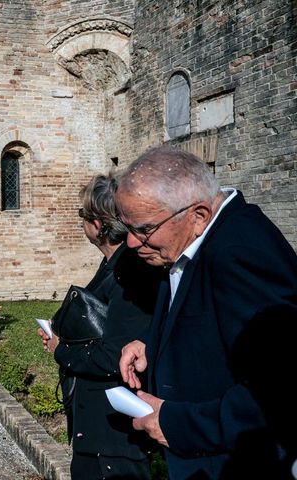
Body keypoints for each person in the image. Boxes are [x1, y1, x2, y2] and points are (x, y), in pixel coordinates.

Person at [115, 146, 297, 479]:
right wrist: (150, 343)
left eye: (142, 229)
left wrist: (177, 423)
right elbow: (209, 322)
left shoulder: (238, 254)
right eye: (125, 227)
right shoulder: (192, 240)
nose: (130, 242)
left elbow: (281, 388)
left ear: (198, 215)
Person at [38, 173, 161, 480]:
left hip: (114, 436)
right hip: (96, 425)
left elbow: (112, 355)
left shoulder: (131, 270)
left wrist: (60, 349)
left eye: (83, 215)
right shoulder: (113, 263)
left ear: (98, 224)